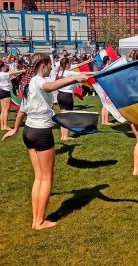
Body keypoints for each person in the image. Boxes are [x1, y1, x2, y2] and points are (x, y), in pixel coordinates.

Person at [2, 53, 88, 230]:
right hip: (41, 133)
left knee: (39, 177)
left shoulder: (28, 83)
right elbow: (49, 87)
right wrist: (75, 78)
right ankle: (40, 221)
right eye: (49, 66)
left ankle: (36, 220)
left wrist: (15, 129)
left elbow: (22, 111)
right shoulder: (39, 81)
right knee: (46, 178)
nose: (51, 69)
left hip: (29, 132)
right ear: (43, 65)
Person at [0, 61, 24, 130]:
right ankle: (6, 126)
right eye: (4, 66)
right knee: (6, 110)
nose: (6, 67)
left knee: (3, 110)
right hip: (5, 92)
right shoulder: (3, 74)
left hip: (1, 91)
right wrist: (23, 70)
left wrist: (18, 74)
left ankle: (2, 126)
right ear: (2, 67)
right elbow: (13, 73)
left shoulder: (2, 74)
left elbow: (10, 78)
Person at [100, 56, 114, 126]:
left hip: (102, 88)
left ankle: (103, 121)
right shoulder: (107, 68)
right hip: (107, 87)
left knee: (104, 105)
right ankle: (106, 121)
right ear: (108, 60)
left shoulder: (102, 67)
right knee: (108, 104)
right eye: (110, 59)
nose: (111, 60)